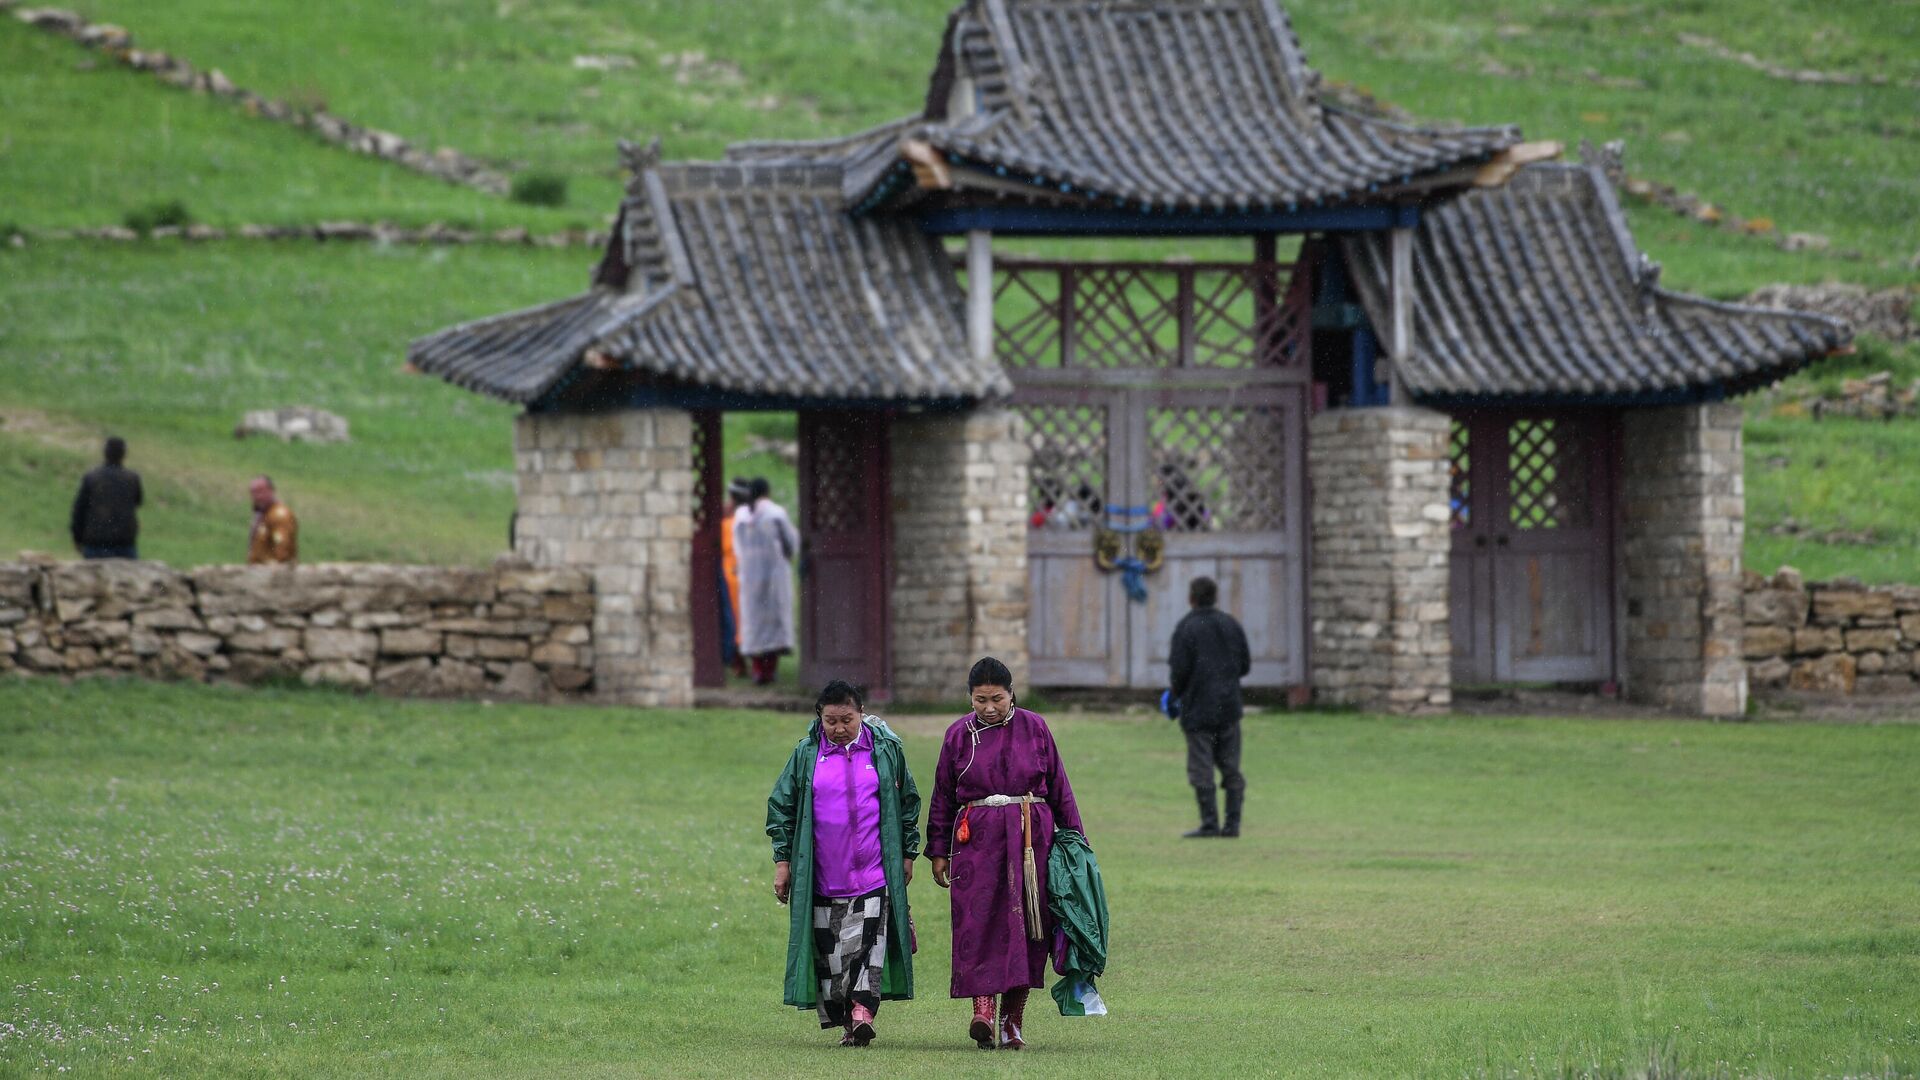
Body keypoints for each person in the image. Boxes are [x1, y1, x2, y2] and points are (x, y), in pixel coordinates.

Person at [926, 658, 1086, 1050]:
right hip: (975, 842)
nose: (989, 707)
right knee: (979, 923)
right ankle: (982, 1011)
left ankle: (1012, 1021)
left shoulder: (1036, 727)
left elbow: (1060, 786)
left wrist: (1077, 842)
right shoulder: (957, 735)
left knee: (1029, 927)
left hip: (1031, 840)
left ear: (1012, 693)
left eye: (997, 698)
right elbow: (943, 797)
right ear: (970, 698)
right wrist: (938, 850)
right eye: (980, 699)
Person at [766, 681, 921, 1047]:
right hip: (823, 876)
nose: (838, 728)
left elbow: (908, 804)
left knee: (870, 945)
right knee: (833, 958)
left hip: (874, 872)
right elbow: (781, 809)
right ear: (819, 718)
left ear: (861, 714)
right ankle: (851, 1022)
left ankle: (863, 1011)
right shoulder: (805, 755)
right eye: (830, 721)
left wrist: (909, 854)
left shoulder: (885, 751)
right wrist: (783, 862)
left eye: (846, 720)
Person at [1168, 576, 1251, 838]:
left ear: (1191, 598)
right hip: (1228, 706)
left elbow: (1179, 671)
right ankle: (1233, 824)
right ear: (1215, 597)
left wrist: (1174, 695)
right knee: (1230, 765)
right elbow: (1245, 665)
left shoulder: (1186, 628)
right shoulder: (1231, 625)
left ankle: (1210, 822)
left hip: (1198, 708)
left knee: (1201, 767)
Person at [734, 477, 798, 685]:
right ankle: (770, 670)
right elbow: (791, 543)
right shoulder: (776, 513)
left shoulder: (741, 516)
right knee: (774, 621)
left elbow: (737, 548)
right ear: (767, 492)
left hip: (749, 575)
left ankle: (757, 670)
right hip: (774, 575)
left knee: (753, 622)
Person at [69, 436, 143, 560]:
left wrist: (77, 538)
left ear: (105, 453)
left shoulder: (92, 477)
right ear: (124, 454)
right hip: (124, 544)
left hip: (96, 544)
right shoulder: (132, 478)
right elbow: (138, 502)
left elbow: (79, 511)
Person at [721, 479, 752, 679]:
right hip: (748, 574)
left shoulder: (727, 524)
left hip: (730, 573)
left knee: (733, 618)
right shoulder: (751, 520)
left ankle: (735, 660)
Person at [246, 475, 298, 564]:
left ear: (271, 491)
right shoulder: (263, 515)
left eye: (260, 491)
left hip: (273, 574)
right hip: (258, 572)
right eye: (254, 493)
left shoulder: (279, 516)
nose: (257, 497)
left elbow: (282, 551)